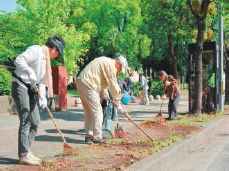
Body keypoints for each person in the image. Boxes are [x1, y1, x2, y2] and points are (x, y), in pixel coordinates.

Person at [11, 35, 66, 165]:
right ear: (54, 48)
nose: (57, 56)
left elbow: (42, 80)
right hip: (20, 85)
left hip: (32, 89)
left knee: (35, 121)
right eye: (58, 52)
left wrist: (43, 95)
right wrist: (29, 71)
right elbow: (18, 60)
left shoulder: (46, 61)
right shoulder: (36, 50)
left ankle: (27, 152)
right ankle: (23, 155)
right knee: (26, 120)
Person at [76, 56, 128, 144]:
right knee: (98, 111)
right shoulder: (111, 65)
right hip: (89, 84)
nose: (119, 70)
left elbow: (102, 80)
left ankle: (89, 136)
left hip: (82, 82)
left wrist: (104, 94)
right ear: (118, 63)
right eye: (120, 68)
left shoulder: (106, 62)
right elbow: (113, 84)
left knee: (89, 111)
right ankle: (97, 137)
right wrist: (118, 102)